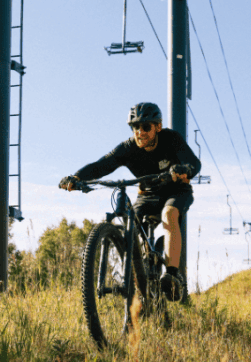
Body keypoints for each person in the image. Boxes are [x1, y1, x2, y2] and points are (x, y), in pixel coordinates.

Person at [59, 102, 201, 298]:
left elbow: (193, 162)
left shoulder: (171, 139)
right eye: (135, 127)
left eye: (145, 127)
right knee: (130, 223)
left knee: (169, 214)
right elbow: (102, 165)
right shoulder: (128, 148)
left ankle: (172, 276)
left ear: (158, 126)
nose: (140, 132)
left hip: (176, 191)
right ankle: (140, 270)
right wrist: (76, 177)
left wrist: (186, 169)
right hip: (147, 195)